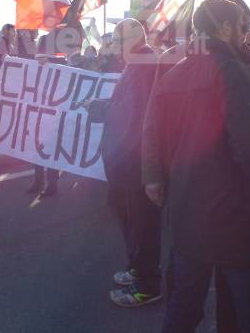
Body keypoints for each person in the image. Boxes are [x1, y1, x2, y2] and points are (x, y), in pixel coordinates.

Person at [144, 0, 250, 332]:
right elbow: (249, 142)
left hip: (185, 209)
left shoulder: (175, 72)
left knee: (184, 302)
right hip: (234, 212)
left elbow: (151, 130)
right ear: (224, 28)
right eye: (240, 25)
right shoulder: (230, 70)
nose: (245, 32)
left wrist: (153, 179)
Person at [85, 19, 161, 308]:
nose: (113, 47)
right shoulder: (137, 63)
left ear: (131, 40)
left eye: (117, 41)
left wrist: (100, 108)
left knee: (142, 224)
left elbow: (134, 116)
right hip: (127, 163)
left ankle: (148, 284)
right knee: (131, 220)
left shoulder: (143, 65)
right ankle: (137, 267)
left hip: (134, 162)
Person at [27, 32, 68, 197]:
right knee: (39, 146)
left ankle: (50, 184)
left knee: (48, 147)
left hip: (52, 112)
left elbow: (67, 69)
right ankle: (41, 182)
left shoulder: (61, 63)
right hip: (39, 111)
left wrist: (50, 61)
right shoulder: (35, 64)